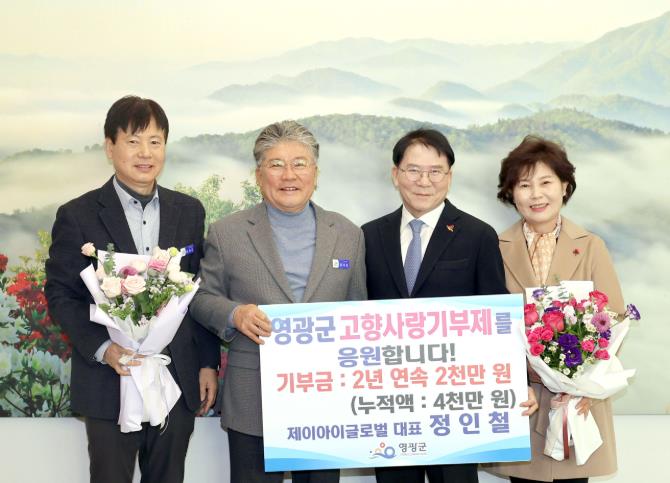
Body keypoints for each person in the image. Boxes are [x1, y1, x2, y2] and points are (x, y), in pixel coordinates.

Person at [44, 95, 220, 483]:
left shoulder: (188, 211)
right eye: (133, 141)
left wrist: (208, 363)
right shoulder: (78, 215)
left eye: (155, 142)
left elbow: (199, 292)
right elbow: (61, 295)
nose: (145, 153)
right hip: (110, 379)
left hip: (174, 377)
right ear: (110, 147)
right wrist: (103, 349)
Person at [190, 120, 367, 483]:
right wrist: (235, 314)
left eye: (300, 163)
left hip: (327, 398)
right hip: (253, 397)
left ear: (315, 173)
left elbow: (358, 311)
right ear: (259, 175)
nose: (289, 175)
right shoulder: (227, 232)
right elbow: (201, 298)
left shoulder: (348, 234)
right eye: (276, 164)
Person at [362, 128, 536, 483]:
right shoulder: (368, 235)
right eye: (413, 170)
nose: (424, 181)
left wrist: (516, 380)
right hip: (391, 403)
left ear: (449, 177)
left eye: (435, 171)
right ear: (395, 174)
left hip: (455, 402)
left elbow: (496, 317)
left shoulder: (478, 235)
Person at [488, 135, 625, 483]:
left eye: (546, 182)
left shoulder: (591, 246)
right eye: (524, 185)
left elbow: (613, 321)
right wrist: (517, 382)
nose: (536, 194)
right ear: (511, 193)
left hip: (577, 407)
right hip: (523, 402)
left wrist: (585, 385)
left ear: (565, 186)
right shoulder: (494, 248)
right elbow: (488, 326)